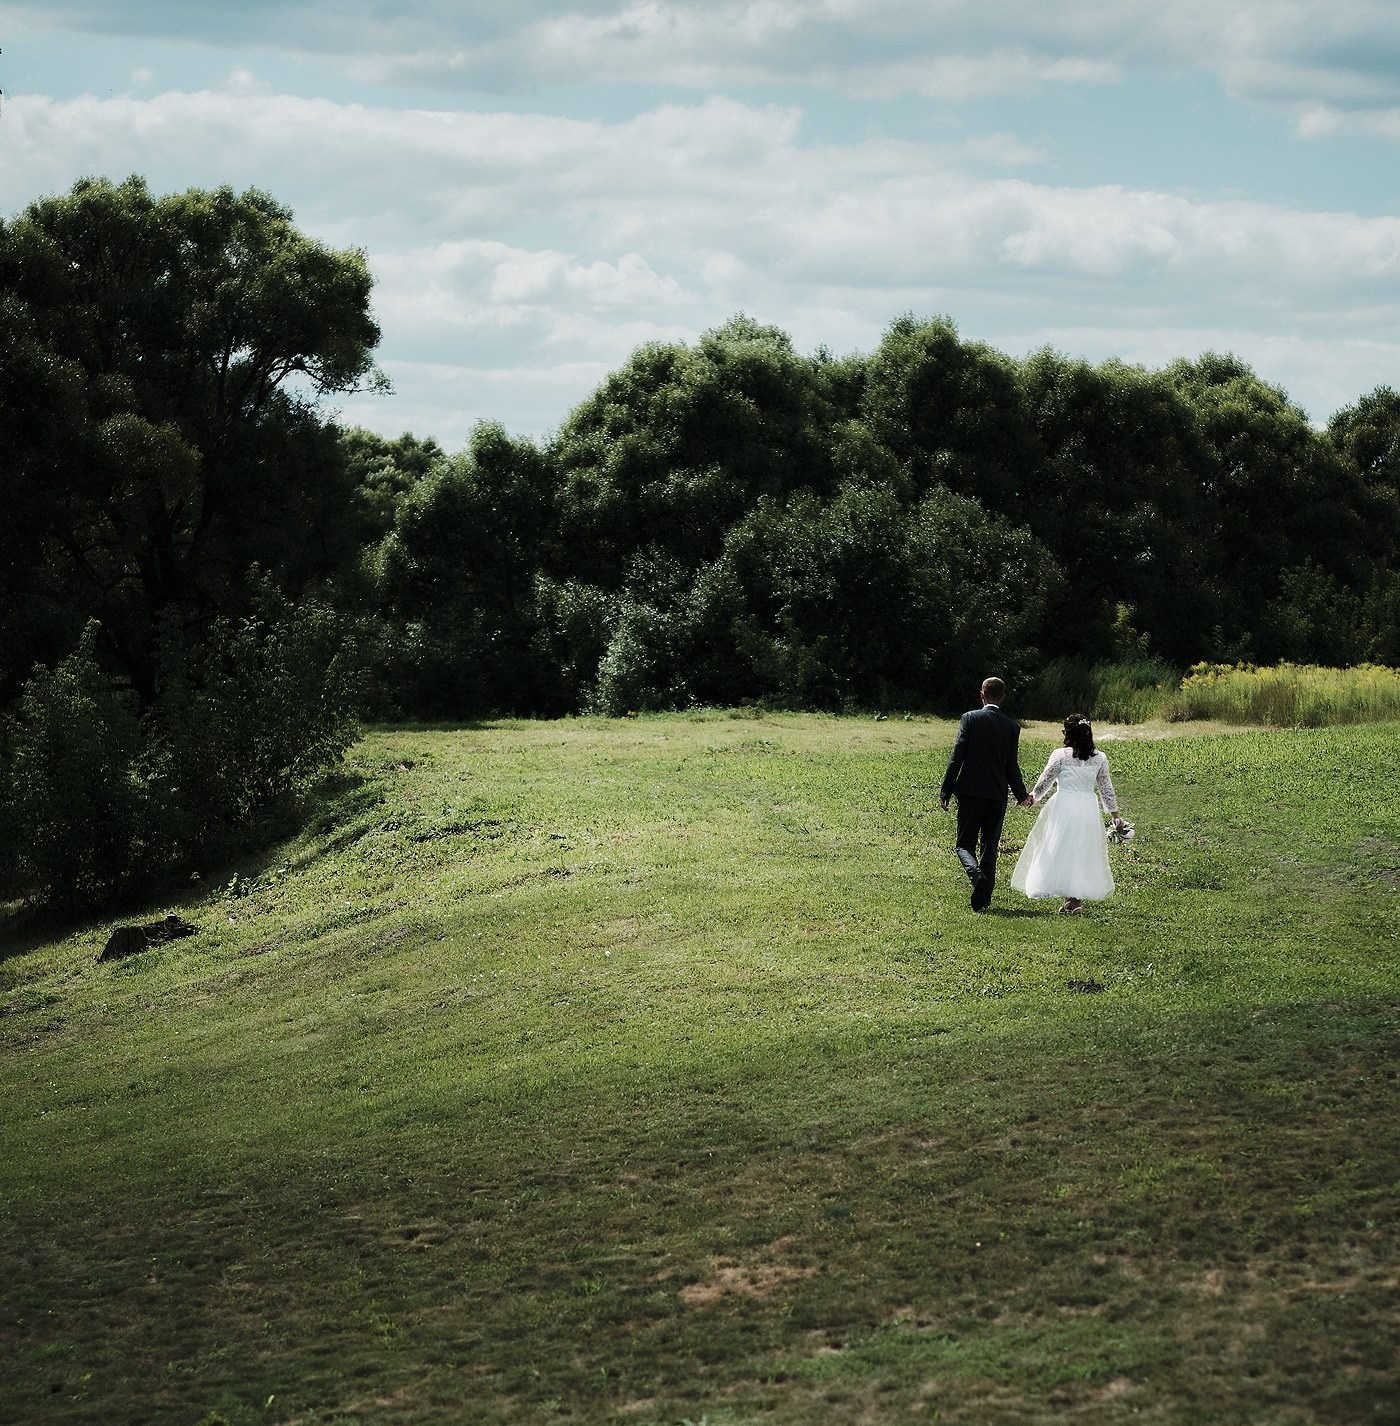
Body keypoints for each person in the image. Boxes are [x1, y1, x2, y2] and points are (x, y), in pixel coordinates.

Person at [1011, 713, 1128, 915]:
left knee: (1060, 849)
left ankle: (1073, 901)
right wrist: (1115, 816)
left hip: (1064, 805)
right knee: (1081, 851)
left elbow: (1045, 779)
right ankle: (1073, 901)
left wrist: (1032, 798)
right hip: (1087, 808)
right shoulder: (1099, 758)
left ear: (1068, 734)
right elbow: (1106, 789)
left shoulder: (1061, 755)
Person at [939, 676, 1032, 912]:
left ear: (982, 695)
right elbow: (1012, 766)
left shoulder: (970, 718)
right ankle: (983, 900)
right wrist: (1021, 794)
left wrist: (946, 789)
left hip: (970, 792)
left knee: (964, 844)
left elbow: (957, 756)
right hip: (997, 795)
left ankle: (976, 874)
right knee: (990, 845)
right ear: (1003, 697)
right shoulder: (1012, 727)